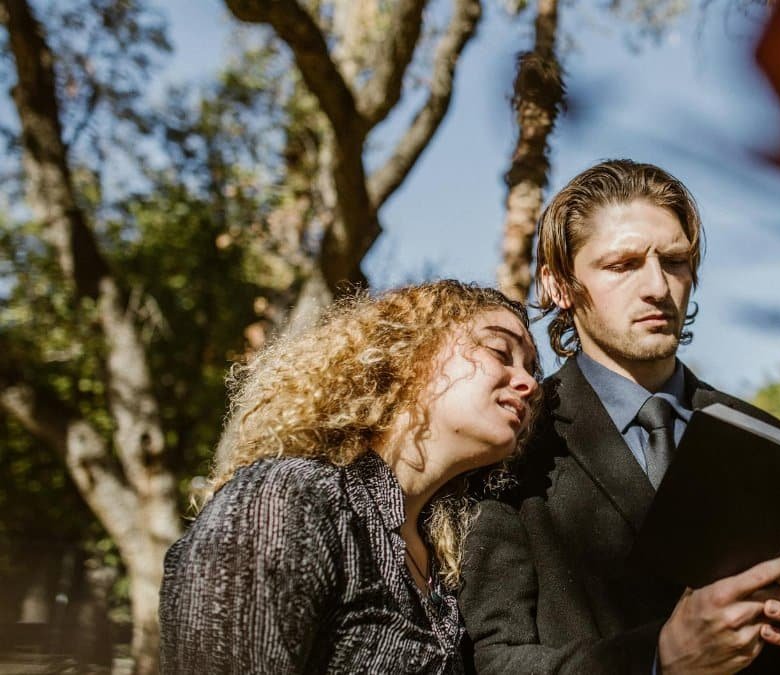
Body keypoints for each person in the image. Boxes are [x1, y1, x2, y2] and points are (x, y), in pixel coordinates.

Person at [460, 160, 780, 674]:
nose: (658, 286)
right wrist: (658, 661)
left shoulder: (771, 443)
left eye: (674, 260)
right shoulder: (511, 444)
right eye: (623, 265)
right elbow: (493, 661)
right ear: (559, 285)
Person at [159, 280, 540, 674]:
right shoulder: (288, 498)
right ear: (410, 353)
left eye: (531, 370)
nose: (528, 385)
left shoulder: (446, 565)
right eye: (499, 351)